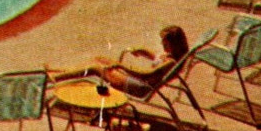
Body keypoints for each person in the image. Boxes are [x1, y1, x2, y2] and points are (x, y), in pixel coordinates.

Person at [49, 25, 191, 96]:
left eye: (165, 43)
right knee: (99, 59)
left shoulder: (171, 62)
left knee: (96, 68)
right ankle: (63, 71)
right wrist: (142, 51)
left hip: (139, 87)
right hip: (138, 81)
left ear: (173, 44)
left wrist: (121, 66)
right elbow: (155, 57)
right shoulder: (171, 56)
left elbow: (146, 74)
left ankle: (55, 78)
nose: (162, 45)